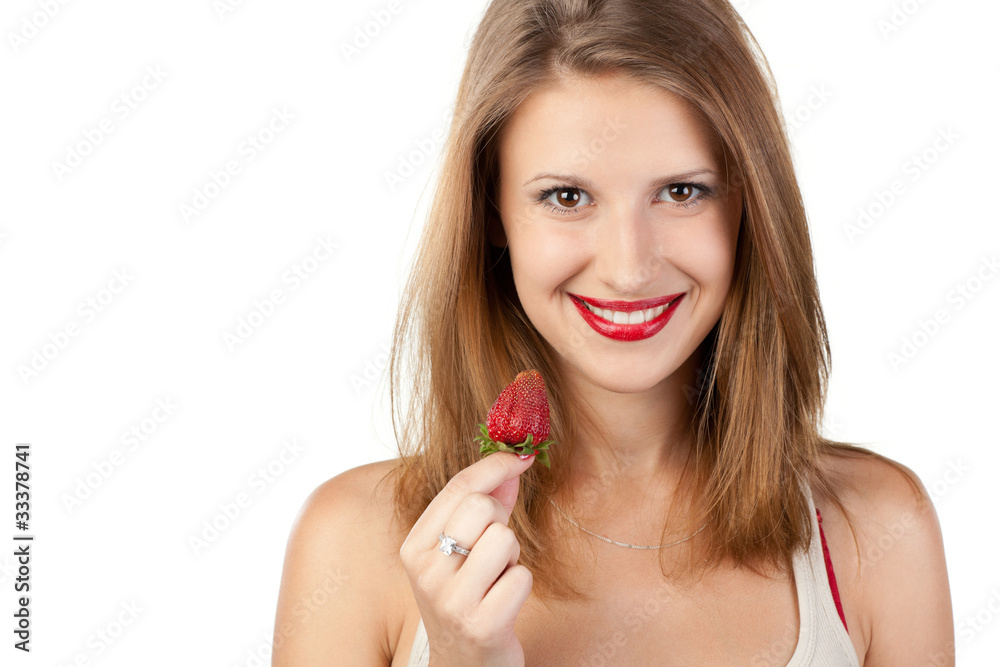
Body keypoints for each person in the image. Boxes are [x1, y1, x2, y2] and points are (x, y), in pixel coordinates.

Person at [272, 0, 954, 664]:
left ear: (750, 205)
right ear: (493, 217)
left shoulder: (881, 531)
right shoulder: (352, 547)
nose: (629, 269)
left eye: (682, 191)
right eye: (567, 197)